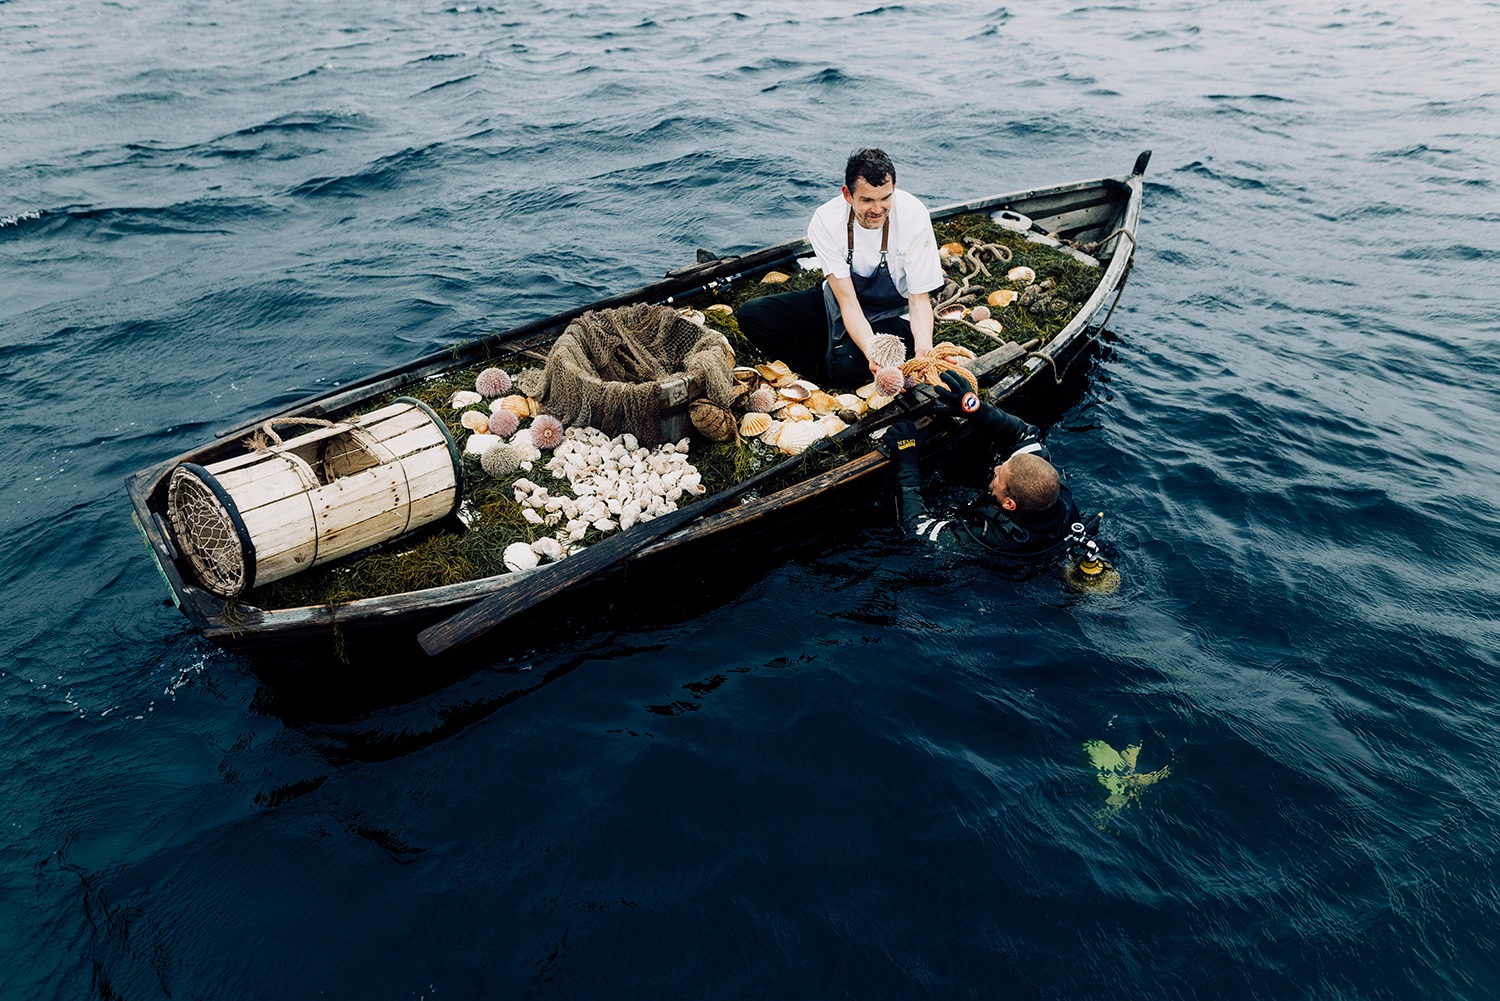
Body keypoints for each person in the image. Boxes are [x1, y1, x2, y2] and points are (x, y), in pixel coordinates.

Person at [738, 147, 945, 387]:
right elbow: (847, 302)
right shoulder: (825, 221)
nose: (877, 209)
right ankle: (817, 371)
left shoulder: (914, 215)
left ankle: (836, 361)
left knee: (846, 365)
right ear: (848, 194)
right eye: (867, 200)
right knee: (753, 314)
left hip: (895, 312)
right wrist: (871, 352)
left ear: (894, 187)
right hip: (839, 302)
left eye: (885, 198)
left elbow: (919, 300)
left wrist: (924, 354)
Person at [884, 371, 1084, 561]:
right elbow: (1025, 434)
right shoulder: (1054, 492)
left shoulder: (986, 538)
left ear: (1009, 504)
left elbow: (917, 529)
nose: (996, 469)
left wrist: (907, 463)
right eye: (1004, 465)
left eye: (1000, 476)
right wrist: (975, 408)